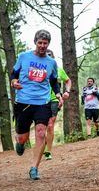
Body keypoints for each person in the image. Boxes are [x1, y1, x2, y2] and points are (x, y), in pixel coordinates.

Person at [11, 29, 63, 180]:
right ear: (35, 42)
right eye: (40, 43)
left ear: (48, 44)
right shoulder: (23, 57)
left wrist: (58, 94)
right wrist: (14, 82)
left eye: (45, 43)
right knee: (23, 137)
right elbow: (14, 74)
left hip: (42, 102)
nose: (42, 46)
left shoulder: (51, 62)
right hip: (23, 102)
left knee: (41, 132)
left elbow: (54, 81)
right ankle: (19, 142)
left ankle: (34, 168)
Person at [44, 49, 71, 160]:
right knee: (41, 127)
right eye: (46, 55)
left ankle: (48, 151)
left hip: (55, 99)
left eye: (50, 55)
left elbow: (68, 81)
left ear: (53, 57)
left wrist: (67, 92)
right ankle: (42, 145)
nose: (48, 56)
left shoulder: (59, 70)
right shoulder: (39, 70)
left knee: (50, 125)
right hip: (40, 100)